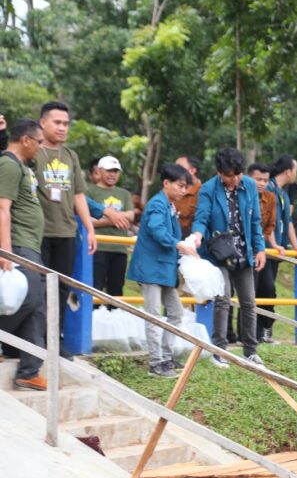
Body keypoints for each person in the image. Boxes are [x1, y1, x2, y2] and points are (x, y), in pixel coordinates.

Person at [191, 148, 266, 368]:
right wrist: (197, 234)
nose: (233, 180)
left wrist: (259, 248)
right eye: (229, 175)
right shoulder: (208, 189)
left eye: (237, 174)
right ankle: (219, 349)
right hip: (219, 251)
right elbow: (202, 218)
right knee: (223, 300)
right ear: (219, 172)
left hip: (243, 250)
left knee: (248, 302)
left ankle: (250, 351)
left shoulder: (249, 186)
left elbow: (255, 221)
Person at [35, 101, 97, 358]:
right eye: (57, 123)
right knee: (35, 289)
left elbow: (79, 195)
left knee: (60, 288)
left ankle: (54, 341)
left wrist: (90, 229)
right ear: (43, 123)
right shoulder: (33, 152)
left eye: (65, 123)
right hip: (37, 234)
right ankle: (31, 343)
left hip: (66, 233)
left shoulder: (70, 156)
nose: (62, 128)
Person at [126, 164, 198, 378]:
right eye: (180, 186)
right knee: (154, 316)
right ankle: (155, 363)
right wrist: (179, 245)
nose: (183, 191)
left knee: (176, 313)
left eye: (186, 187)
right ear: (166, 183)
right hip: (151, 268)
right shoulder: (158, 204)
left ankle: (165, 357)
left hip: (164, 269)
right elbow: (158, 231)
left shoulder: (169, 205)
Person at [0, 119, 47, 390]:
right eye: (39, 142)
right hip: (18, 245)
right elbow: (2, 209)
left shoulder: (22, 167)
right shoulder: (8, 164)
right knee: (29, 301)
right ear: (26, 140)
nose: (41, 147)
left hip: (30, 244)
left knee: (37, 306)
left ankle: (30, 370)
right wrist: (6, 251)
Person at [87, 156, 134, 302]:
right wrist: (113, 218)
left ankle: (115, 319)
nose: (112, 174)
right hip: (98, 247)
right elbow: (87, 220)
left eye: (115, 171)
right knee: (96, 287)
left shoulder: (124, 194)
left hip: (119, 249)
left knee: (117, 289)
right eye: (109, 171)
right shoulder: (90, 191)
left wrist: (108, 217)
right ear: (99, 171)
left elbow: (131, 215)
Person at [247, 162, 278, 343]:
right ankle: (246, 333)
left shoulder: (271, 198)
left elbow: (271, 225)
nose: (262, 183)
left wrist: (261, 242)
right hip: (242, 248)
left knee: (267, 288)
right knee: (248, 291)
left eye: (265, 180)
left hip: (261, 248)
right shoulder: (243, 195)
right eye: (258, 179)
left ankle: (265, 329)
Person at [175, 155, 202, 238]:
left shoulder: (203, 192)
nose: (174, 171)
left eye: (179, 168)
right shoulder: (172, 189)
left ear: (192, 170)